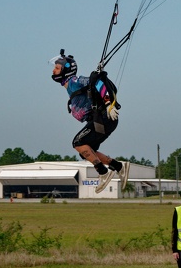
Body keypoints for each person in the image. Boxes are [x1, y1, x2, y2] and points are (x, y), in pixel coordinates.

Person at [50, 50, 129, 194]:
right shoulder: (70, 85)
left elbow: (98, 82)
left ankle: (103, 172)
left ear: (65, 70)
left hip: (105, 118)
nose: (53, 71)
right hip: (102, 120)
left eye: (57, 68)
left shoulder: (75, 81)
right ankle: (118, 167)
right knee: (86, 151)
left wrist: (109, 104)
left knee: (78, 143)